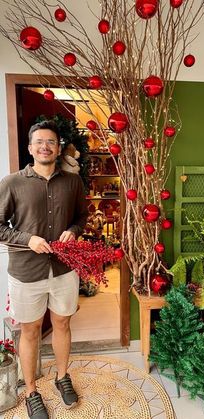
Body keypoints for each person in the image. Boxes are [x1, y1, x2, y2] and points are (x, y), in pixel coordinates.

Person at [0, 120, 88, 419]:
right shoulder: (11, 183)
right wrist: (28, 239)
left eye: (50, 141)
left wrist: (74, 231)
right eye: (39, 142)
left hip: (64, 268)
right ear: (30, 148)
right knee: (30, 329)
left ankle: (63, 377)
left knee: (62, 323)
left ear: (58, 147)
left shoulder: (73, 182)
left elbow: (82, 216)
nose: (45, 146)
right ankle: (32, 392)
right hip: (26, 270)